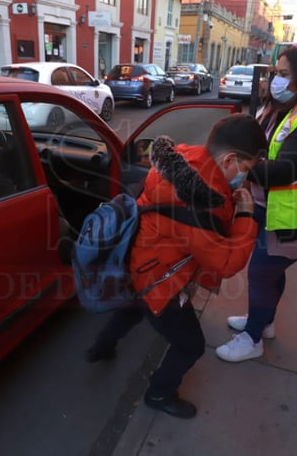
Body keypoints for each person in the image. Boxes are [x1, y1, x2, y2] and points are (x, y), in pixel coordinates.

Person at [85, 114, 267, 419]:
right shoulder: (201, 202)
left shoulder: (183, 158)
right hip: (161, 282)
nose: (244, 178)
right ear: (230, 159)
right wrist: (246, 215)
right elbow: (225, 262)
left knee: (132, 307)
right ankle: (159, 393)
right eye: (245, 170)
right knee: (190, 345)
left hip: (137, 259)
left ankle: (102, 347)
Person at [215, 42, 297, 362]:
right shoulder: (288, 106)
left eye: (283, 74)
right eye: (275, 72)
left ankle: (253, 338)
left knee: (261, 271)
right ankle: (264, 321)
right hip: (273, 209)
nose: (276, 79)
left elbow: (284, 171)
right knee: (271, 270)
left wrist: (239, 166)